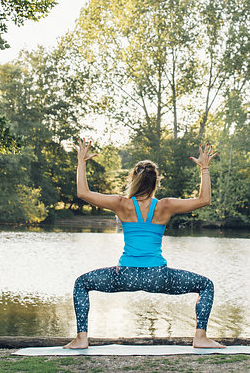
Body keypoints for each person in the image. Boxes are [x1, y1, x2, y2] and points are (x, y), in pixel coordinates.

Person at [64, 137, 224, 349]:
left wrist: (81, 161)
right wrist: (204, 168)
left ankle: (81, 338)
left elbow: (83, 193)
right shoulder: (166, 206)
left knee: (81, 283)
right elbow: (204, 200)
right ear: (156, 183)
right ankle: (200, 337)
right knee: (206, 285)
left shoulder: (121, 204)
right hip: (158, 276)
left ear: (133, 180)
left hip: (125, 275)